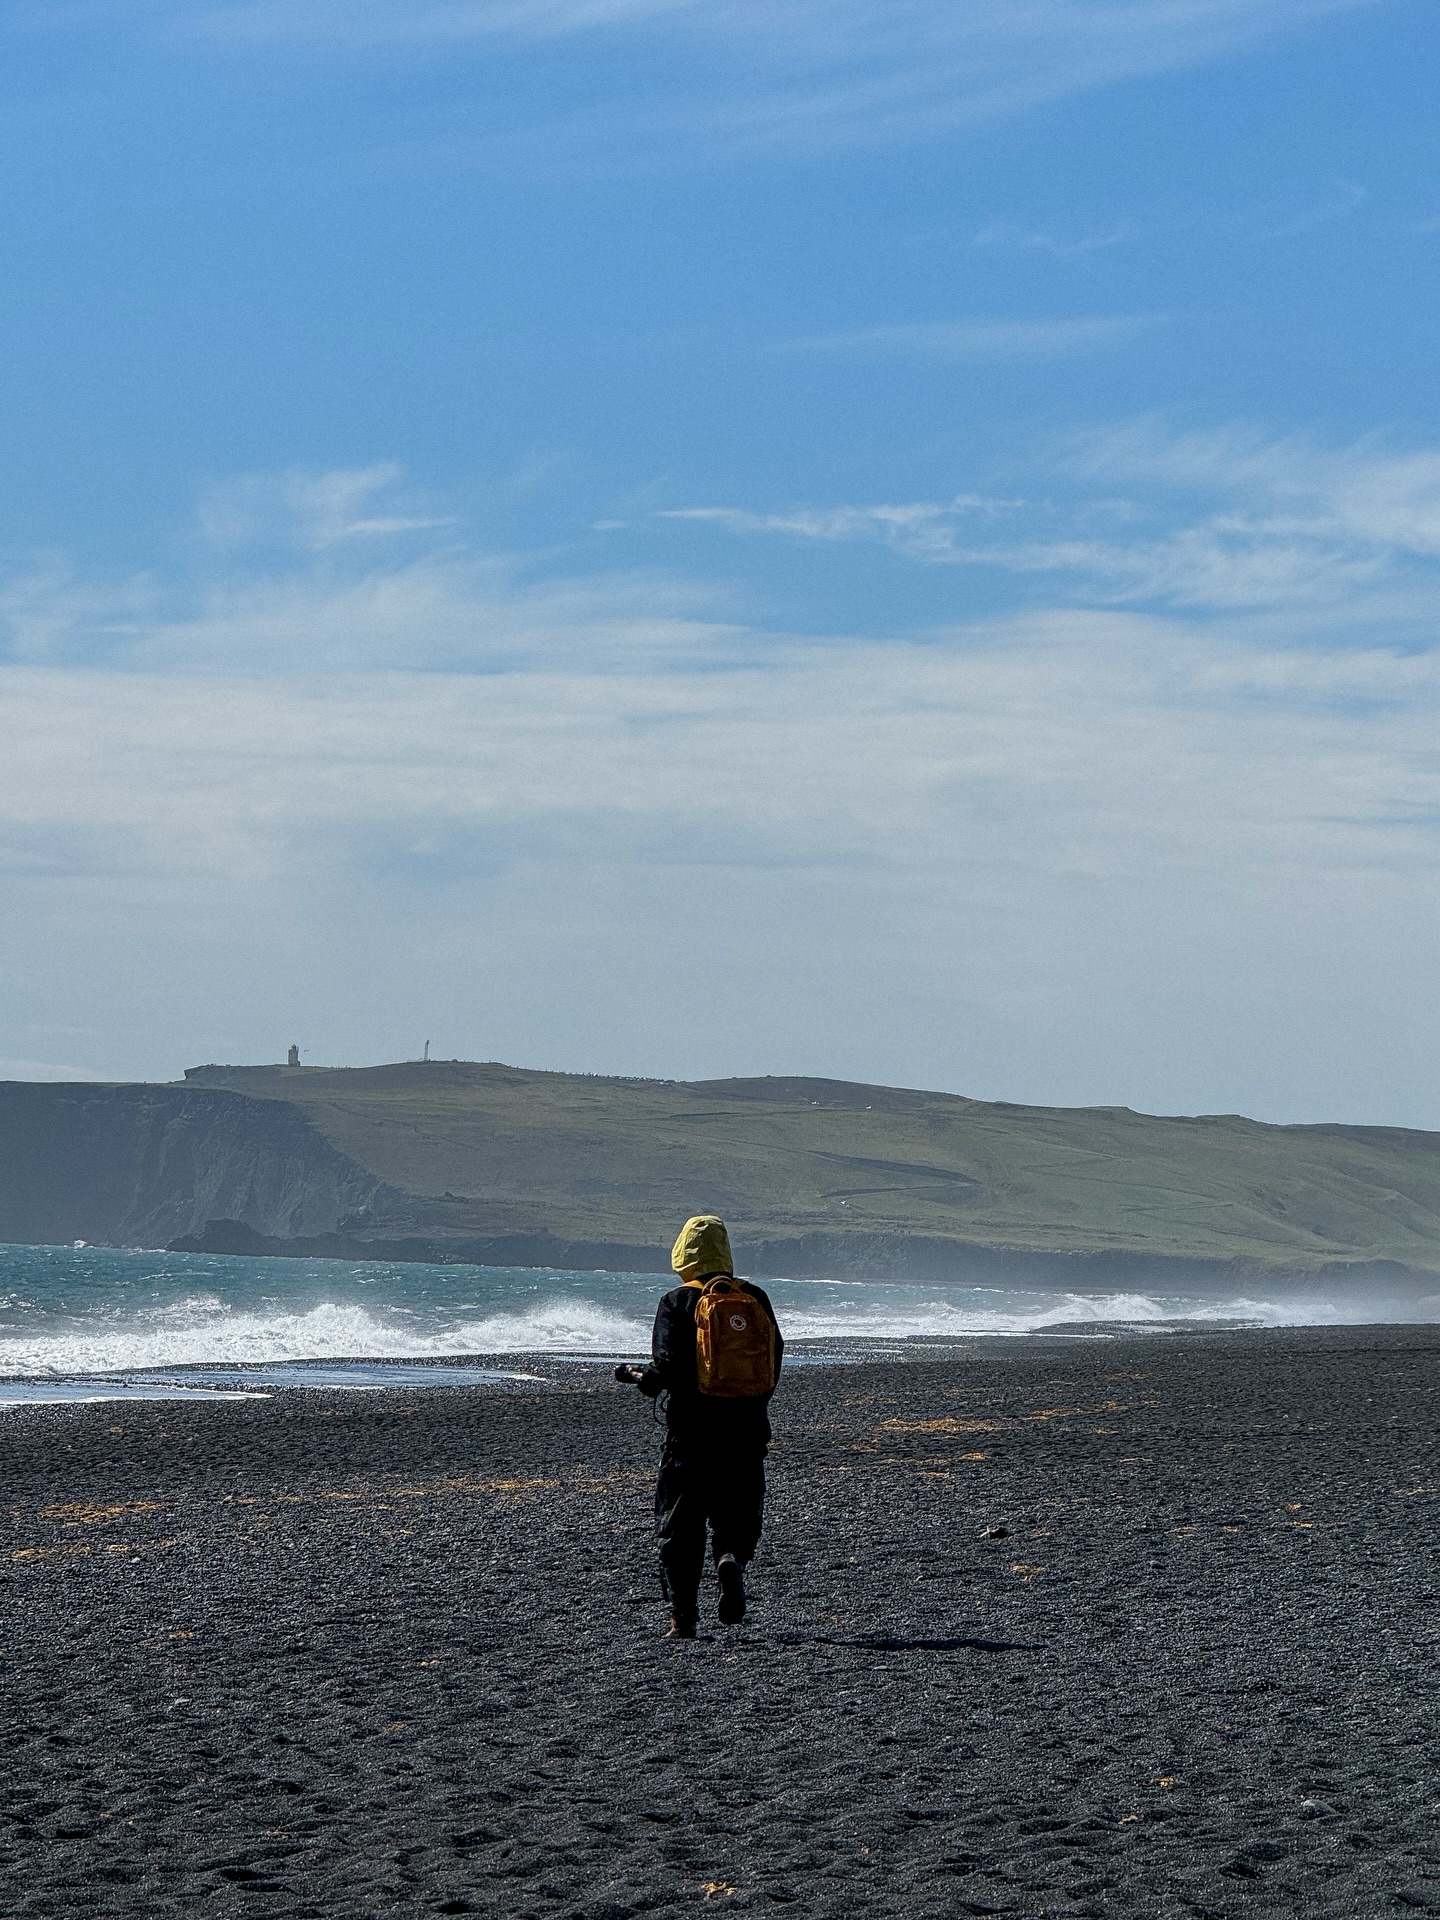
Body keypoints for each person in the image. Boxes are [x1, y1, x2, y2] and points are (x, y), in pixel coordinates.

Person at [616, 1215, 783, 1638]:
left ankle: (683, 1618)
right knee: (737, 1511)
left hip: (691, 1434)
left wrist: (643, 1380)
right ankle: (730, 1559)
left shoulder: (678, 1301)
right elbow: (772, 1363)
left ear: (683, 1253)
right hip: (747, 1431)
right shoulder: (754, 1298)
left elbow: (666, 1368)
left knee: (680, 1524)